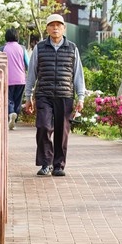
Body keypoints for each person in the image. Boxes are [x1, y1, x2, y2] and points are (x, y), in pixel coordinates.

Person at [24, 14, 85, 177]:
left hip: (65, 95)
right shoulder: (40, 48)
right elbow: (32, 73)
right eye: (52, 25)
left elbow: (78, 74)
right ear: (47, 28)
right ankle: (46, 163)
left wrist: (81, 97)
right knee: (43, 127)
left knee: (62, 131)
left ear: (64, 28)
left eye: (58, 25)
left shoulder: (72, 48)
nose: (55, 28)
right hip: (44, 94)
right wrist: (28, 96)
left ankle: (58, 165)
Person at [1, 27, 29, 130]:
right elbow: (28, 63)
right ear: (17, 37)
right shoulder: (22, 48)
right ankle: (14, 120)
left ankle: (11, 113)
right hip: (21, 78)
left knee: (9, 99)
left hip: (7, 79)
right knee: (18, 100)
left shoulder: (2, 49)